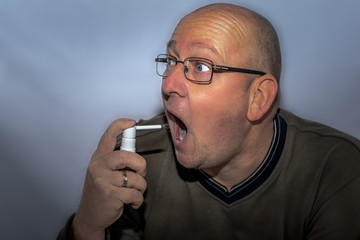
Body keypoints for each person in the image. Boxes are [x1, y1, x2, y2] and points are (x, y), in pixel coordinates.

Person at [57, 3, 360, 240]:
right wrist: (86, 226)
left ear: (258, 98)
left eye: (200, 66)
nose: (168, 85)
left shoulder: (337, 168)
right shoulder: (137, 160)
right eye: (171, 61)